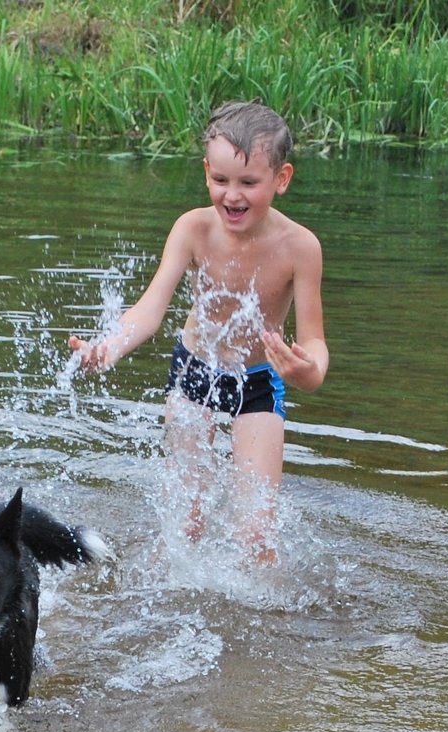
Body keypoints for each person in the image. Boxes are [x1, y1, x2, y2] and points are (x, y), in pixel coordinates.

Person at [68, 100, 328, 561]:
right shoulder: (192, 229)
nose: (232, 195)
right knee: (185, 522)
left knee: (256, 535)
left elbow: (314, 343)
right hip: (194, 373)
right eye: (221, 180)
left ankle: (263, 621)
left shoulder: (300, 248)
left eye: (249, 182)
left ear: (281, 179)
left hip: (259, 383)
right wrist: (110, 346)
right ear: (206, 171)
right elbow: (150, 308)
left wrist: (306, 369)